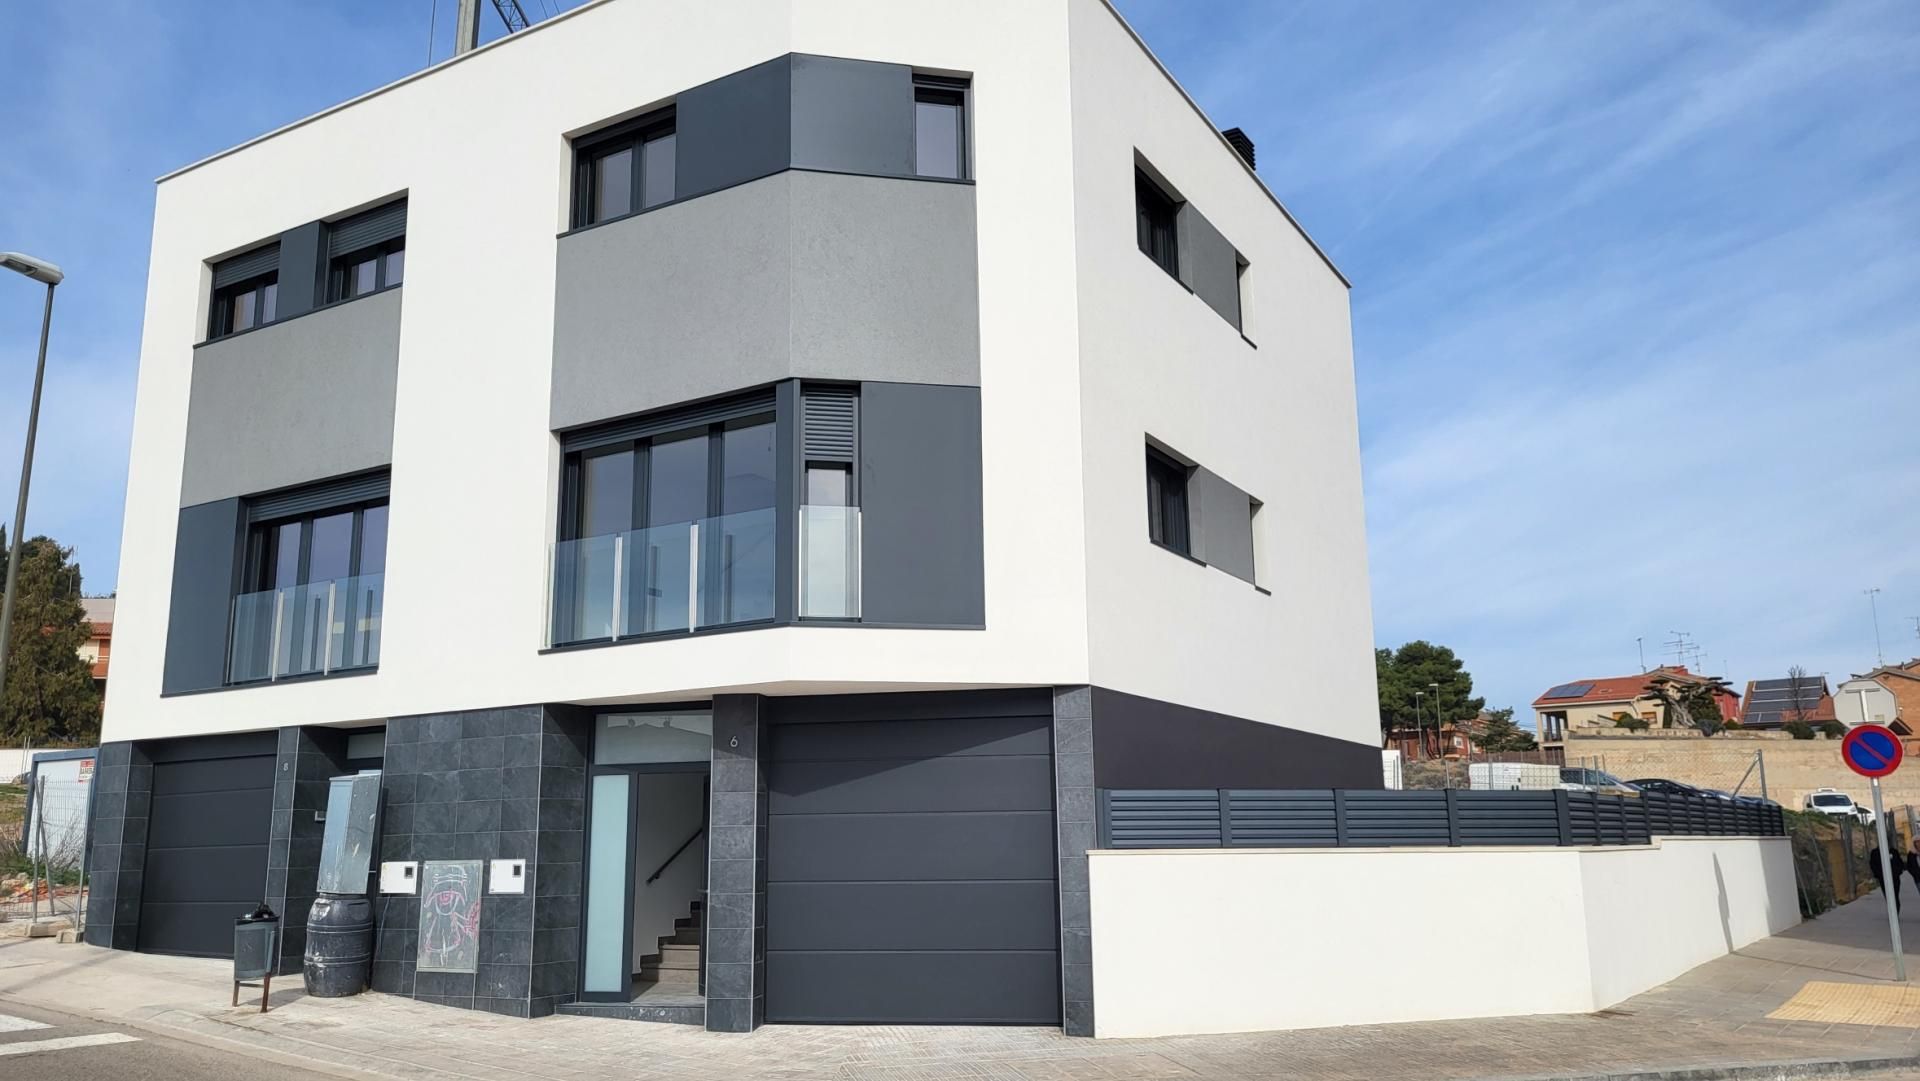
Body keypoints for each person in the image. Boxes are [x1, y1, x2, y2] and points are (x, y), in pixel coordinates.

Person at [1871, 840, 1905, 911]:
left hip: (1895, 878)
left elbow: (1900, 862)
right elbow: (1873, 865)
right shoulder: (1875, 853)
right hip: (1883, 879)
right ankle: (1893, 911)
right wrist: (1878, 874)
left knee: (1895, 895)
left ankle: (1896, 909)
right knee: (1888, 896)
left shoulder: (1893, 852)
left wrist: (1898, 871)